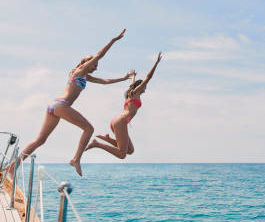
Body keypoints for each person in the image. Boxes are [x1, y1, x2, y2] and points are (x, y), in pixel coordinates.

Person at [17, 28, 133, 176]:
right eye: (94, 66)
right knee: (89, 129)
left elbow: (105, 81)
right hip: (61, 105)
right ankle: (76, 159)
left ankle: (13, 166)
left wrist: (123, 79)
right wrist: (114, 40)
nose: (96, 69)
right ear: (88, 63)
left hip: (55, 105)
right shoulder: (80, 71)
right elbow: (100, 55)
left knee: (40, 140)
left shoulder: (84, 75)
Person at [85, 52, 162, 159]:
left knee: (130, 150)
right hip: (120, 122)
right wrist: (156, 63)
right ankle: (97, 144)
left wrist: (133, 77)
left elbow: (132, 84)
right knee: (122, 155)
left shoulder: (131, 92)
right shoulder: (135, 92)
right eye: (144, 86)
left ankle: (107, 139)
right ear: (140, 86)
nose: (146, 87)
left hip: (119, 122)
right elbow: (148, 77)